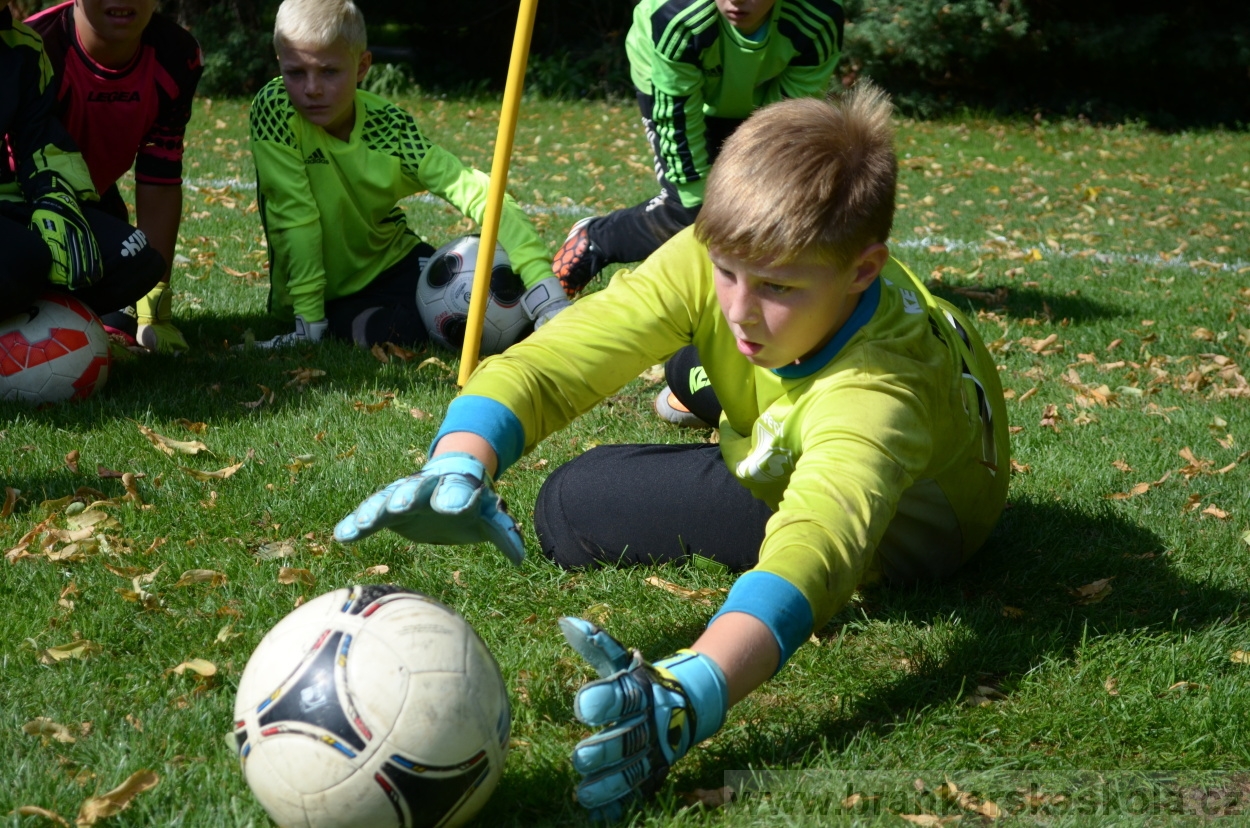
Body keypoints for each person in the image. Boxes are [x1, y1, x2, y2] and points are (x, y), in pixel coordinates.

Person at [333, 83, 1010, 819]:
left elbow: (817, 544)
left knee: (571, 505)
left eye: (777, 286)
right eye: (725, 272)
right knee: (693, 353)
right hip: (886, 399)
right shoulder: (733, 260)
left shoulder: (875, 397)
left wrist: (699, 685)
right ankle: (700, 387)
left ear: (863, 269)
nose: (740, 307)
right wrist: (462, 456)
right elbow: (562, 356)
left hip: (912, 529)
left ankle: (707, 403)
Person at [246, 0, 568, 351]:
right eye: (296, 73)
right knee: (400, 331)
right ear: (279, 64)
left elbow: (475, 190)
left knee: (493, 282)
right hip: (322, 293)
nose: (312, 89)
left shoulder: (390, 128)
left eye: (329, 71)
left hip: (393, 263)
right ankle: (336, 323)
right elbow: (296, 217)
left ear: (361, 66)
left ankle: (548, 311)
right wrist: (308, 320)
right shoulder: (275, 108)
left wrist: (543, 289)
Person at [551, 0, 845, 300]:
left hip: (754, 96)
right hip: (668, 85)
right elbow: (677, 116)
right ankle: (596, 240)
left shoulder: (817, 20)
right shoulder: (677, 16)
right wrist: (698, 204)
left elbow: (785, 120)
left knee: (761, 202)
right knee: (690, 210)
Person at [26, 0, 202, 352]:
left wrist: (153, 307)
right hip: (23, 203)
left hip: (93, 202)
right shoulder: (33, 47)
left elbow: (160, 176)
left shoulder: (176, 54)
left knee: (132, 274)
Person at [1, 0, 163, 322]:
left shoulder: (25, 46)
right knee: (24, 257)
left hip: (10, 202)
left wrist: (54, 199)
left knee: (136, 257)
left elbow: (40, 139)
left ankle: (34, 327)